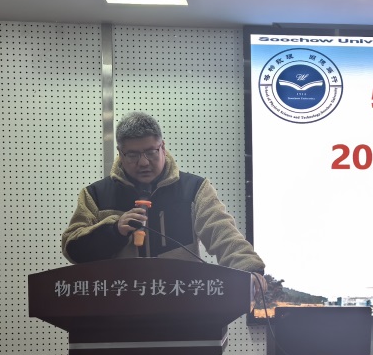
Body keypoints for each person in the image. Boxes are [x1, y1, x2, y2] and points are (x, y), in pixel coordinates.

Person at [62, 112, 265, 277]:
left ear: (163, 147)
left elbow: (222, 233)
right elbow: (73, 249)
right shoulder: (96, 194)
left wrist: (249, 269)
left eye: (151, 152)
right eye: (132, 155)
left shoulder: (194, 189)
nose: (143, 162)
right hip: (119, 304)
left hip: (182, 303)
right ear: (120, 153)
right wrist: (114, 230)